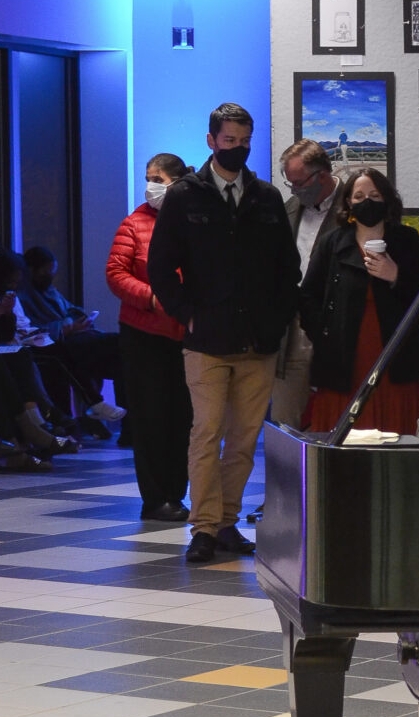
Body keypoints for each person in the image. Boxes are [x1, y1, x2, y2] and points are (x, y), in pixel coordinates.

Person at [148, 101, 300, 566]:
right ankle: (204, 527)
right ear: (211, 141)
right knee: (206, 432)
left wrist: (275, 319)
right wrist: (185, 313)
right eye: (229, 141)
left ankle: (228, 521)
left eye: (244, 142)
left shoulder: (266, 196)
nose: (237, 149)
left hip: (258, 340)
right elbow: (160, 266)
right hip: (206, 337)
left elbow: (286, 268)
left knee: (243, 439)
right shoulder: (185, 195)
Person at [300, 167, 419, 434]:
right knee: (343, 435)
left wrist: (396, 274)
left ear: (387, 199)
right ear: (348, 203)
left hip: (395, 355)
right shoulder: (332, 242)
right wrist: (323, 334)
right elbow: (308, 296)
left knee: (395, 433)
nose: (367, 202)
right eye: (359, 196)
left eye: (374, 195)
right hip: (342, 357)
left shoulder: (406, 240)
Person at [106, 153, 193, 520]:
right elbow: (115, 273)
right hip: (144, 334)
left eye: (158, 178)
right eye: (147, 178)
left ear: (178, 181)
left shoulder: (194, 221)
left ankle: (177, 494)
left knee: (184, 418)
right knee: (151, 418)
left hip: (187, 335)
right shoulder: (134, 223)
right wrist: (152, 298)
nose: (151, 185)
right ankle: (155, 498)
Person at [0, 249, 77, 455]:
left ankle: (26, 433)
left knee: (24, 356)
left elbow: (3, 332)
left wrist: (3, 314)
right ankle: (33, 427)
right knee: (1, 363)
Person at [272, 138, 343, 428]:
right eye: (290, 184)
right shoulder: (290, 208)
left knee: (335, 420)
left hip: (339, 325)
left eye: (299, 183)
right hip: (295, 326)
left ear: (322, 176)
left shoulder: (355, 203)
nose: (295, 190)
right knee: (286, 420)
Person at [20, 245, 125, 438]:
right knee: (118, 344)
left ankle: (128, 426)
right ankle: (94, 407)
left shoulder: (50, 291)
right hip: (57, 342)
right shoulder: (24, 295)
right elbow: (29, 327)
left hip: (76, 337)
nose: (49, 277)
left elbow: (70, 308)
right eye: (45, 273)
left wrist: (78, 320)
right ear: (32, 270)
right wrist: (65, 328)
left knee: (121, 361)